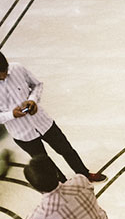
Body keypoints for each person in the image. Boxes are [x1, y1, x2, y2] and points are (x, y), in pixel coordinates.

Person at [0, 52, 106, 183]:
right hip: (22, 134)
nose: (3, 76)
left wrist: (33, 100)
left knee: (66, 149)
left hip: (43, 122)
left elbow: (37, 85)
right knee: (45, 163)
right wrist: (12, 114)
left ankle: (84, 174)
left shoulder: (17, 68)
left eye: (4, 71)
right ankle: (64, 185)